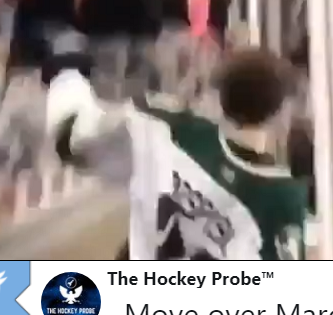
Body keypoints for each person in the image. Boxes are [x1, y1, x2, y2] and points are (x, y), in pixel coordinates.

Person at [48, 48, 310, 261]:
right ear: (278, 114)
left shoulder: (163, 127)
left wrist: (67, 78)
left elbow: (72, 141)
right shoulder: (282, 197)